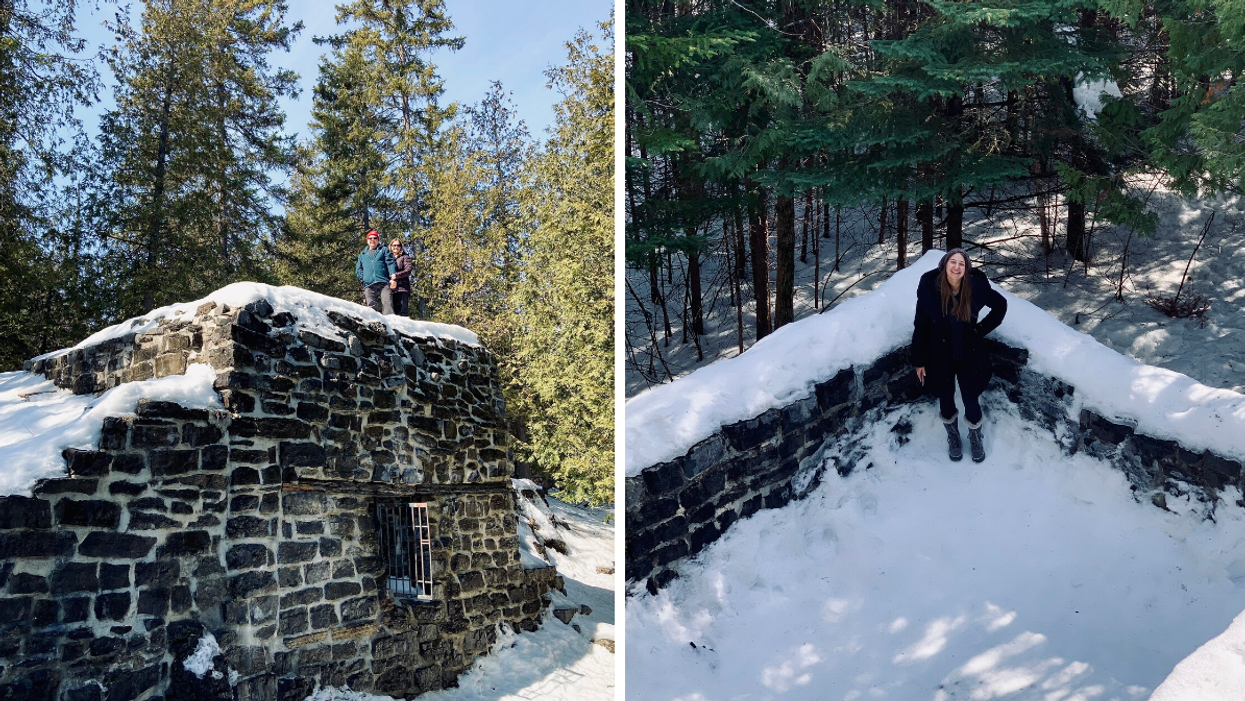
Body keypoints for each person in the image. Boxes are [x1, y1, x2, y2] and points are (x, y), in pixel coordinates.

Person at [911, 248, 1008, 463]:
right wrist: (918, 360)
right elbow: (921, 326)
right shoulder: (929, 291)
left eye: (962, 264)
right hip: (939, 354)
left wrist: (979, 330)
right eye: (952, 262)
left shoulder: (976, 288)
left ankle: (975, 437)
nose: (956, 267)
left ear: (966, 269)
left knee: (971, 399)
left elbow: (1000, 306)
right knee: (946, 399)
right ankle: (953, 437)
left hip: (969, 353)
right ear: (944, 265)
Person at [355, 229, 397, 315]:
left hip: (383, 282)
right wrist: (363, 278)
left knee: (387, 303)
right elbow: (358, 268)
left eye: (375, 238)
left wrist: (393, 277)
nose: (372, 240)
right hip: (369, 284)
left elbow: (390, 263)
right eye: (370, 238)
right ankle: (374, 325)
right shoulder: (362, 255)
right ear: (367, 241)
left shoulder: (384, 250)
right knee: (371, 306)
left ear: (378, 240)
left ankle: (390, 325)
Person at [389, 238, 413, 317]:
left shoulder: (405, 257)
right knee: (392, 315)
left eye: (398, 245)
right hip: (391, 290)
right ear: (391, 246)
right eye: (394, 245)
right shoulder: (388, 259)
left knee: (402, 314)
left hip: (402, 289)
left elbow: (408, 270)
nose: (396, 247)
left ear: (401, 247)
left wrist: (396, 275)